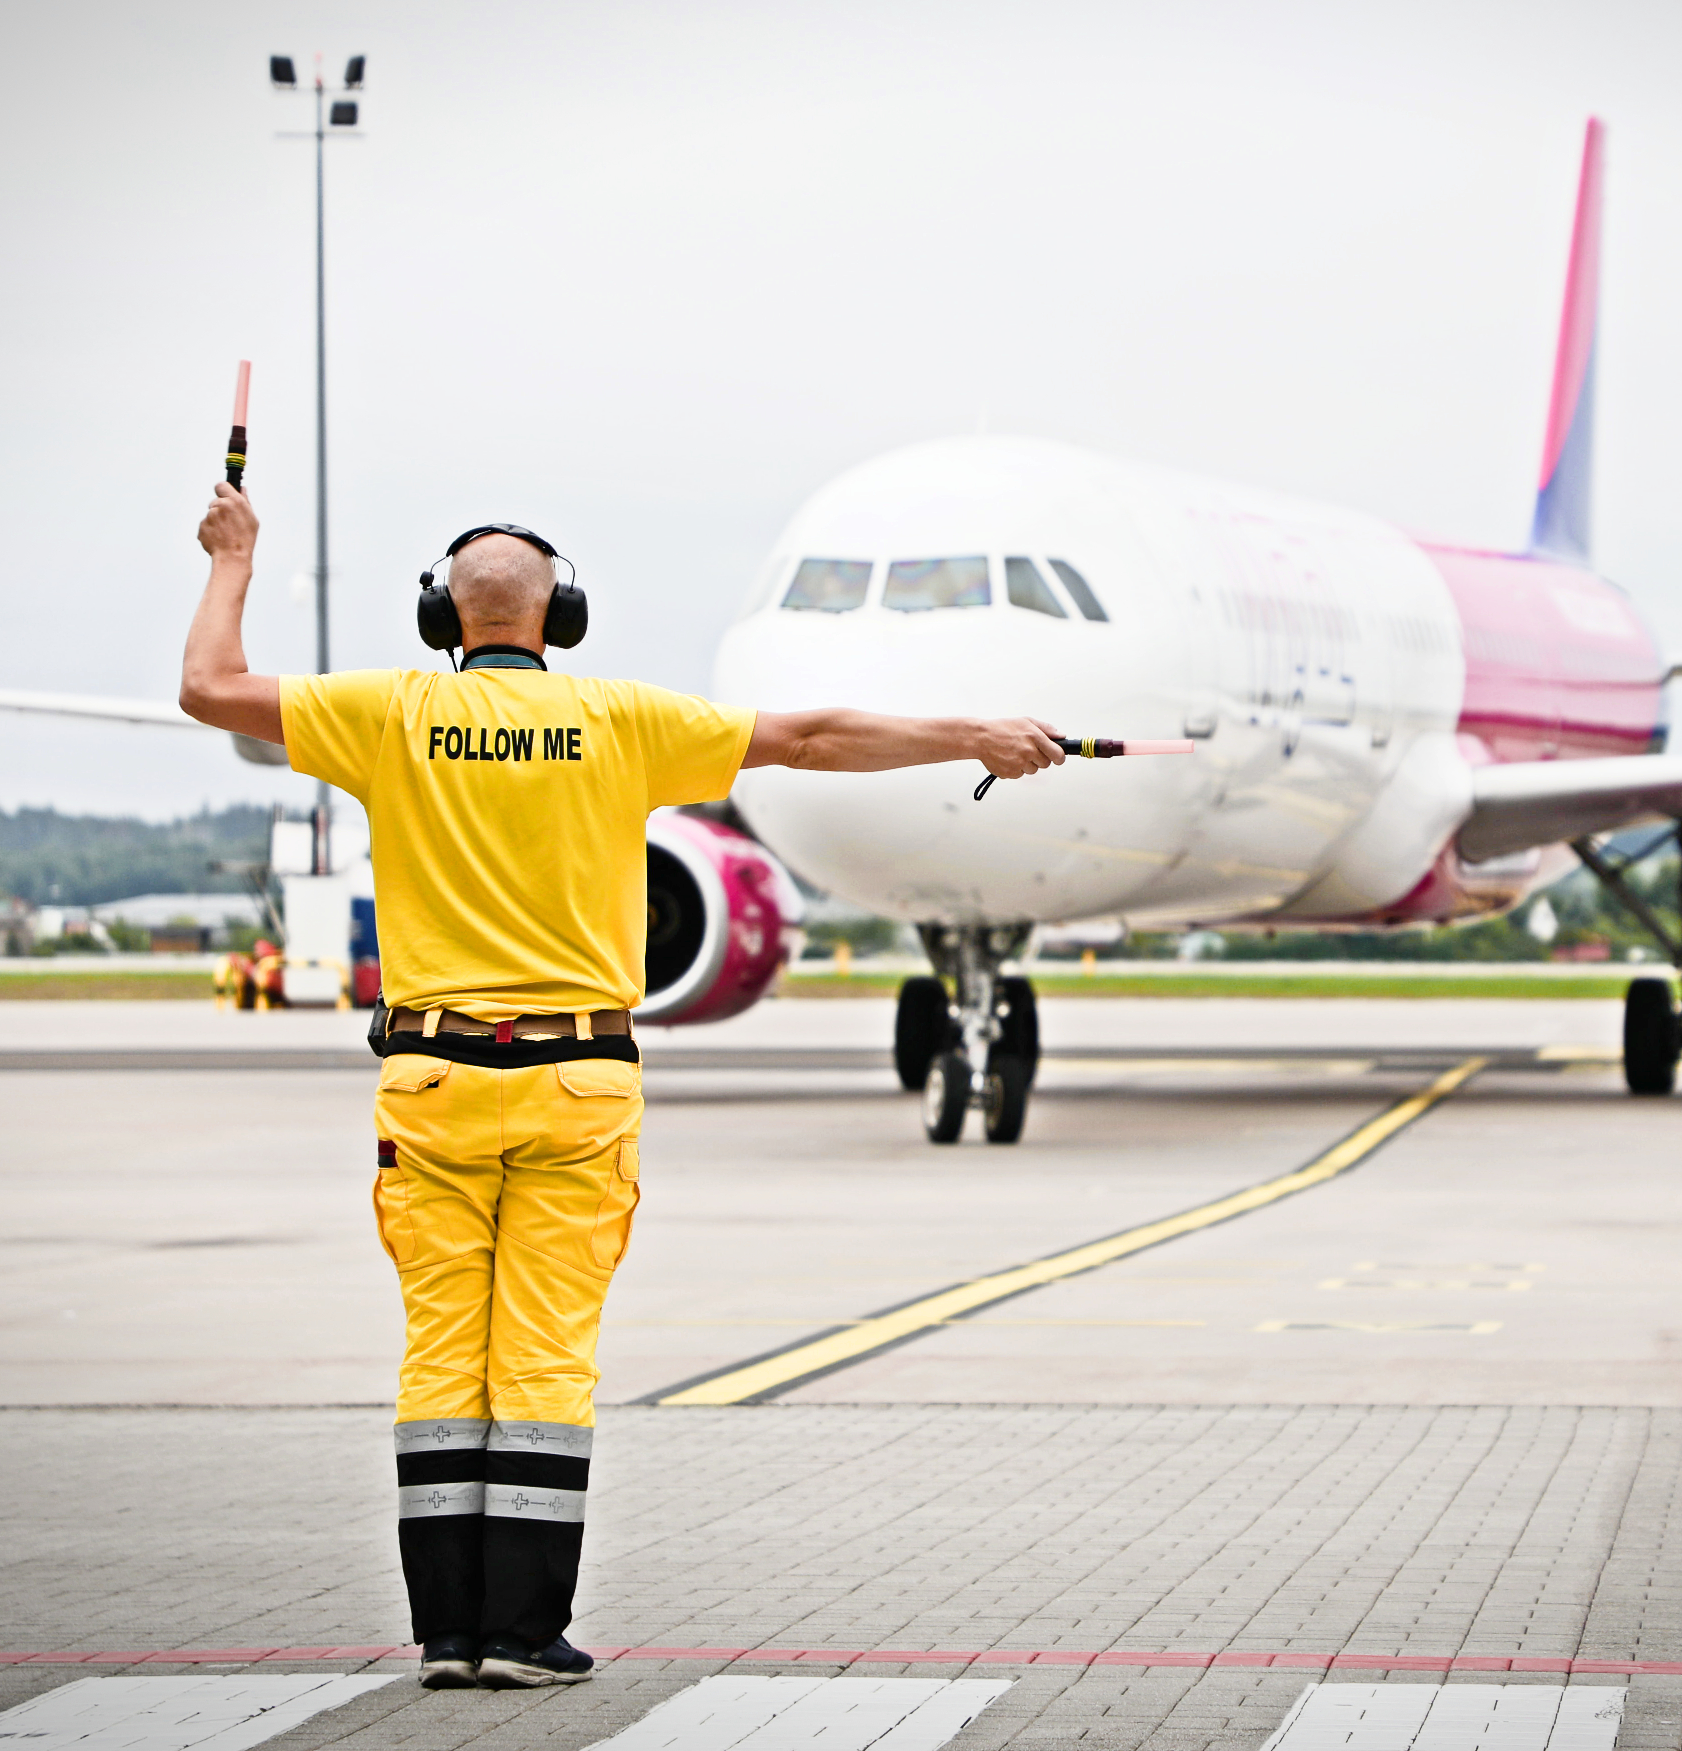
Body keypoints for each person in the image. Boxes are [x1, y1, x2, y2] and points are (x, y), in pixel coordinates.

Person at [179, 481, 1062, 1691]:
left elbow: (209, 689)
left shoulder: (387, 715)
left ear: (444, 615)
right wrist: (971, 734)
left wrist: (232, 560)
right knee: (544, 1355)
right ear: (564, 616)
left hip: (431, 1079)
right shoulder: (622, 719)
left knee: (445, 1353)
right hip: (575, 1082)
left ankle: (445, 1632)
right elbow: (811, 736)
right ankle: (526, 1633)